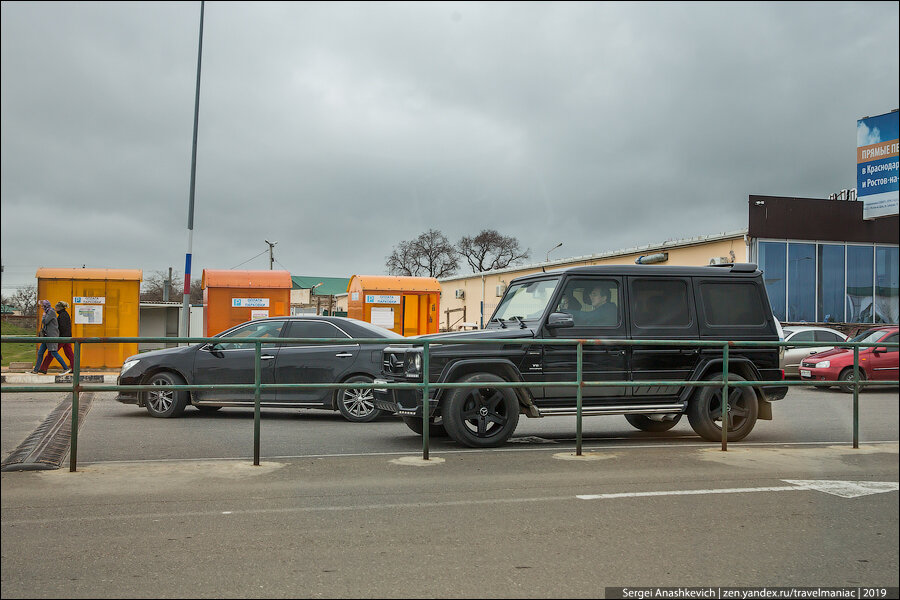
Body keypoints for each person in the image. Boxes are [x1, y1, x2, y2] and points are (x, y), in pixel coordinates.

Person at [32, 299, 69, 374]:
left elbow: (45, 321)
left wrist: (43, 315)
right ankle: (36, 370)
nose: (41, 307)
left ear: (46, 306)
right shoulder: (48, 311)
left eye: (42, 306)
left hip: (52, 336)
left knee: (54, 352)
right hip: (47, 336)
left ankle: (66, 368)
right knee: (40, 352)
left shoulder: (51, 312)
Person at [40, 301, 74, 373]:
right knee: (70, 354)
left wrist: (57, 335)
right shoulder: (65, 314)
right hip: (67, 337)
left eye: (56, 308)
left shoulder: (61, 316)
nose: (55, 309)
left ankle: (43, 368)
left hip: (62, 338)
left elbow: (61, 327)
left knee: (52, 352)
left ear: (59, 308)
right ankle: (74, 368)